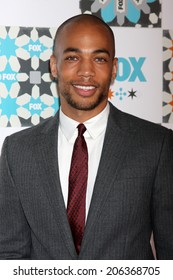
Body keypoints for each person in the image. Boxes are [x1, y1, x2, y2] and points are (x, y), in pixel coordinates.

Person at [0, 14, 173, 260]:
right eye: (72, 57)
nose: (86, 71)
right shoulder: (17, 150)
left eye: (99, 59)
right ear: (53, 65)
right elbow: (9, 254)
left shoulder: (157, 145)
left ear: (113, 69)